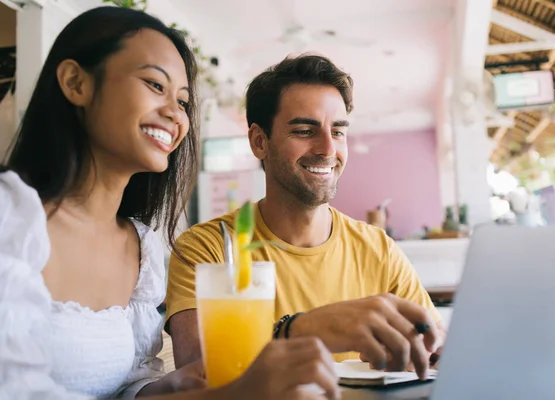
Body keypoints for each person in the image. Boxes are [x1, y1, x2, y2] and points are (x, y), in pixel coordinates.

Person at [0, 7, 340, 400]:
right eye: (155, 85)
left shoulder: (141, 246)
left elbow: (126, 385)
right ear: (76, 82)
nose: (175, 114)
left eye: (183, 101)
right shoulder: (11, 216)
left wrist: (167, 387)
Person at [166, 54, 444, 379]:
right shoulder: (208, 248)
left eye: (338, 132)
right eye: (304, 130)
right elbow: (197, 373)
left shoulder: (378, 249)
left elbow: (432, 348)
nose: (328, 148)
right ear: (259, 141)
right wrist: (305, 329)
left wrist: (435, 350)